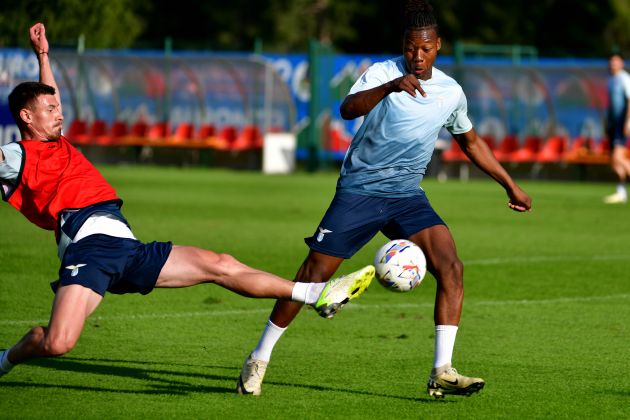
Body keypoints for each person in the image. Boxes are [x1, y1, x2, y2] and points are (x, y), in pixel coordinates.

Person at [0, 23, 375, 379]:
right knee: (58, 342)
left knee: (220, 264)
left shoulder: (57, 140)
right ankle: (8, 357)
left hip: (126, 248)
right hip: (90, 249)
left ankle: (318, 293)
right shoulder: (18, 156)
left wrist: (43, 56)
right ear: (26, 117)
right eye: (50, 111)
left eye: (58, 107)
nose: (59, 113)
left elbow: (48, 97)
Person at [236, 0, 532, 399]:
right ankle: (259, 357)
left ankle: (441, 370)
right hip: (359, 192)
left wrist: (509, 185)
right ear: (403, 44)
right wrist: (390, 86)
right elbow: (347, 109)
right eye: (411, 48)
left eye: (425, 48)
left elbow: (472, 142)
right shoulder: (382, 73)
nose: (417, 56)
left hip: (407, 197)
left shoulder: (450, 92)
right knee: (312, 276)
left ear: (438, 46)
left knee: (451, 267)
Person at [603, 52, 630, 204]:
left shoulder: (625, 79)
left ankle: (621, 191)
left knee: (618, 158)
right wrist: (607, 124)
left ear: (622, 63)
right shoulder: (612, 80)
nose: (613, 64)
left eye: (616, 61)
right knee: (613, 161)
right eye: (611, 61)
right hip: (614, 124)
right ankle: (621, 192)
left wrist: (627, 122)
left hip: (622, 123)